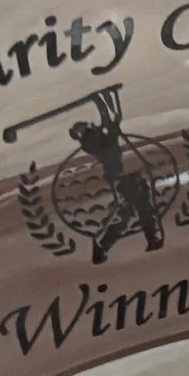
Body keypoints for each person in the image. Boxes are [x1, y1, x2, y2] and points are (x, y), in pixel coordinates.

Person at [68, 105, 165, 264]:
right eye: (83, 126)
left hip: (127, 175)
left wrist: (111, 125)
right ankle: (102, 246)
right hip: (122, 178)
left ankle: (151, 240)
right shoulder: (90, 140)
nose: (88, 125)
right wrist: (112, 127)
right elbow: (109, 146)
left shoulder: (93, 137)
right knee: (129, 214)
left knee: (142, 209)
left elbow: (110, 139)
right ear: (80, 132)